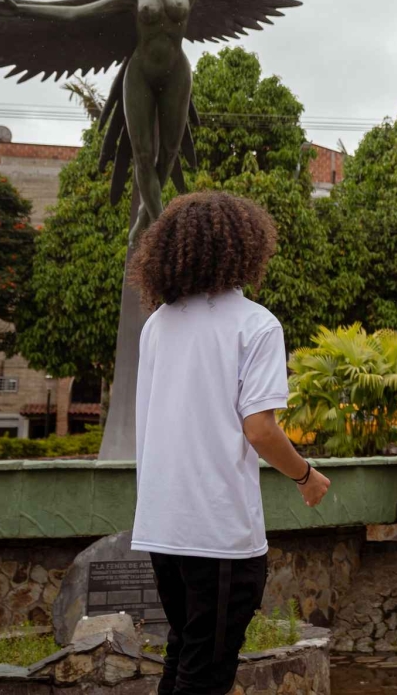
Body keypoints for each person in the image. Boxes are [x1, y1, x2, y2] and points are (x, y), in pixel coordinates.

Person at [128, 192, 330, 695]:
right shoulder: (255, 323)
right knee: (205, 673)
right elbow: (259, 429)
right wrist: (306, 475)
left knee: (185, 655)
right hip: (217, 530)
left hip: (161, 526)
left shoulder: (158, 324)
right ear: (246, 247)